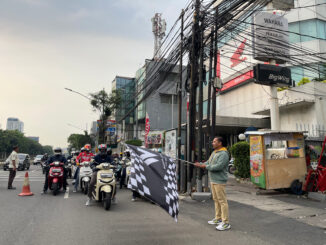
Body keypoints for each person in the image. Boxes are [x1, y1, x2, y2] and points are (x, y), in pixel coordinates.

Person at [195, 136, 231, 231]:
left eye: (215, 141)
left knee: (222, 201)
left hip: (220, 180)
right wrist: (200, 164)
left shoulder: (223, 154)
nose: (212, 143)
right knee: (216, 199)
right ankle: (218, 218)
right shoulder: (214, 152)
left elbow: (218, 166)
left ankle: (226, 222)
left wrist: (204, 166)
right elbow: (208, 162)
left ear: (220, 143)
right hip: (213, 179)